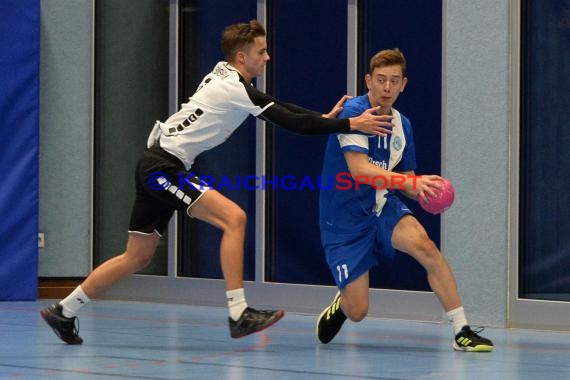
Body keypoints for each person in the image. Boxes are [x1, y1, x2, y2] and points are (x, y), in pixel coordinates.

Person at [40, 20, 394, 345]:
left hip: (157, 162)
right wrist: (350, 125)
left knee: (137, 255)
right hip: (164, 168)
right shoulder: (232, 89)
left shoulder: (228, 77)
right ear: (242, 57)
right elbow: (288, 121)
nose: (267, 57)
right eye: (261, 52)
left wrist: (322, 118)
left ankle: (64, 311)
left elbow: (279, 105)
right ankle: (238, 312)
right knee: (234, 218)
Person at [316, 49, 494, 352]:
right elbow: (360, 171)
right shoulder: (354, 114)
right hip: (343, 216)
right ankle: (343, 304)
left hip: (382, 205)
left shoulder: (403, 124)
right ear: (368, 81)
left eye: (394, 81)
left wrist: (425, 188)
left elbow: (406, 177)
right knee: (358, 311)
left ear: (403, 85)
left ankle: (462, 330)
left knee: (426, 246)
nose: (387, 88)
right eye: (381, 80)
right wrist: (410, 182)